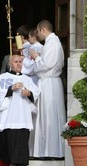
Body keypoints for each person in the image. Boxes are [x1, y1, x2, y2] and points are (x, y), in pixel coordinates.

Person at [0, 55, 40, 166]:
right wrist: (11, 88)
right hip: (10, 118)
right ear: (10, 64)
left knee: (22, 146)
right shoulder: (4, 77)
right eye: (16, 62)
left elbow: (36, 92)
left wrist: (29, 93)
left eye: (20, 61)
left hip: (23, 118)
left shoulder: (27, 79)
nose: (19, 64)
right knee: (11, 148)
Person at [29, 20, 66, 158]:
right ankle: (46, 150)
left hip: (49, 83)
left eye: (38, 32)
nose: (37, 34)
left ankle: (50, 150)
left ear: (43, 29)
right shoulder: (53, 43)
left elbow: (46, 64)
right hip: (49, 82)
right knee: (48, 115)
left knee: (48, 116)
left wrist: (36, 57)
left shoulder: (52, 43)